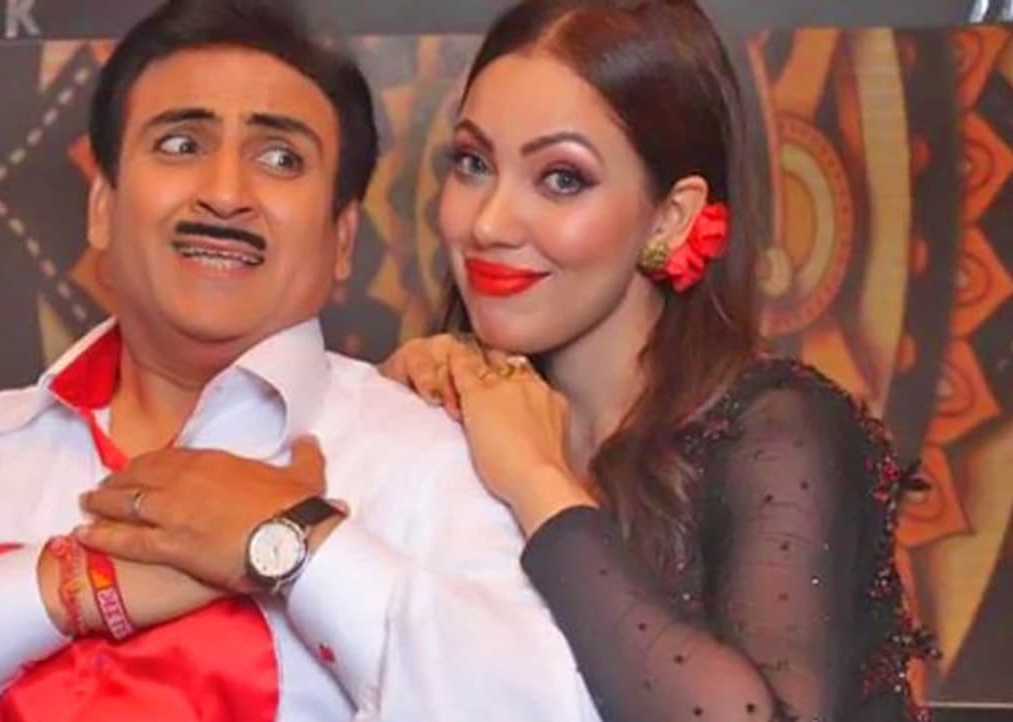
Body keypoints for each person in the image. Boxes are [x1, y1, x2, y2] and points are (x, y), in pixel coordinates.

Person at [0, 1, 598, 720]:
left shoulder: (423, 456)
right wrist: (70, 588)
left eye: (280, 157)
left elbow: (545, 706)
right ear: (102, 208)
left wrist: (294, 549)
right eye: (181, 144)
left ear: (342, 240)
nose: (224, 193)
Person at [381, 1, 938, 720]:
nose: (488, 223)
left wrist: (534, 480)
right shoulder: (448, 406)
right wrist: (392, 431)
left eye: (561, 178)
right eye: (474, 163)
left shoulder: (778, 432)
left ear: (671, 217)